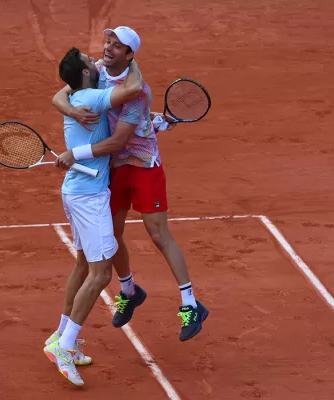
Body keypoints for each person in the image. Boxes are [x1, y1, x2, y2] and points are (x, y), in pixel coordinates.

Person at [52, 26, 209, 342]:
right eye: (108, 41)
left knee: (157, 233)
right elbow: (58, 94)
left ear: (129, 55)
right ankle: (129, 290)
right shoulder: (96, 70)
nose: (108, 47)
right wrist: (70, 109)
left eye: (117, 46)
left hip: (142, 166)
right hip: (114, 168)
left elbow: (120, 139)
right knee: (114, 233)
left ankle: (191, 304)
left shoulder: (138, 90)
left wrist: (75, 153)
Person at [43, 46, 144, 387]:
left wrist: (68, 105)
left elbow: (60, 93)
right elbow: (133, 89)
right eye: (90, 60)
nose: (96, 59)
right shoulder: (95, 97)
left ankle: (59, 334)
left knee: (84, 264)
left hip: (74, 191)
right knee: (101, 275)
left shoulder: (76, 93)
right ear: (85, 73)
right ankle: (65, 345)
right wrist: (131, 55)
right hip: (90, 196)